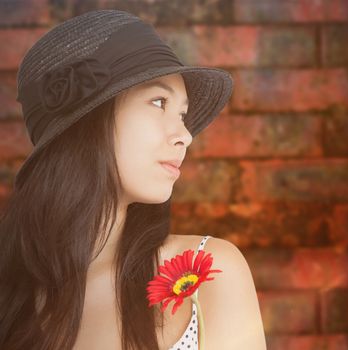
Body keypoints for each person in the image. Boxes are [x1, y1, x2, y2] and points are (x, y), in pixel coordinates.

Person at [0, 9, 266, 349]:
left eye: (182, 115)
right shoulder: (14, 292)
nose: (185, 135)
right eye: (158, 102)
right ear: (88, 121)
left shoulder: (209, 271)